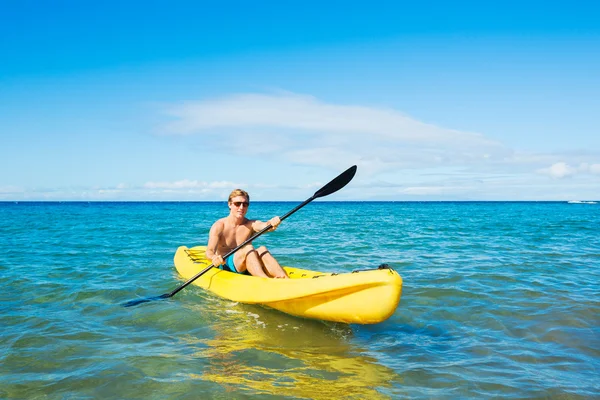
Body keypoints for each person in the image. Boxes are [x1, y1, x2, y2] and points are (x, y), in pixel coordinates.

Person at [205, 189, 289, 278]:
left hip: (246, 264)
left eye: (245, 204)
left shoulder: (250, 224)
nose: (241, 207)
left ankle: (284, 278)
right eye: (237, 204)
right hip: (226, 265)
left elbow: (264, 226)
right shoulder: (219, 226)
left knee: (262, 249)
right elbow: (209, 252)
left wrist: (272, 223)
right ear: (230, 204)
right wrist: (214, 258)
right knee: (248, 248)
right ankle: (264, 279)